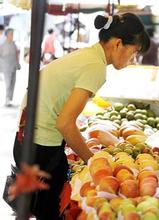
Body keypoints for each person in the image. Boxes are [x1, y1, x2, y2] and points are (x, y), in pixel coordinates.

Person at [11, 13, 150, 219]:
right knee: (48, 212)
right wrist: (92, 161)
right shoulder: (95, 67)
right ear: (119, 43)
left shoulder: (88, 55)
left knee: (35, 208)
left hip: (27, 138)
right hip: (41, 146)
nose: (133, 60)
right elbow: (65, 124)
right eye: (135, 52)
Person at [0, 28, 20, 107]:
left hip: (13, 67)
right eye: (11, 34)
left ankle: (9, 99)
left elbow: (16, 55)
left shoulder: (14, 44)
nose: (12, 36)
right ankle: (7, 100)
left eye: (12, 34)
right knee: (8, 84)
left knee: (13, 83)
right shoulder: (2, 45)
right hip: (6, 68)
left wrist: (18, 64)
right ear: (7, 35)